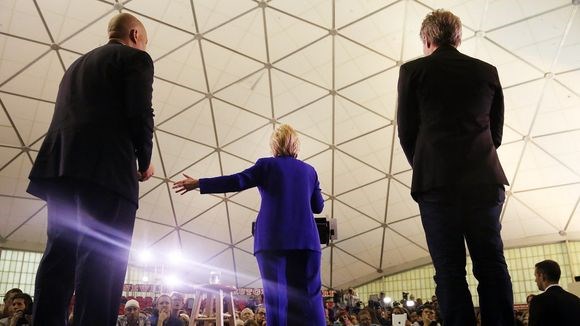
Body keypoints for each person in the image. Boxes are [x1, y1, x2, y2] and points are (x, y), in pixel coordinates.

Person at [27, 12, 155, 325]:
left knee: (59, 255)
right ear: (136, 34)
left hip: (60, 168)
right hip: (107, 172)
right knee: (102, 260)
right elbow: (140, 112)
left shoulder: (76, 66)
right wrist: (144, 159)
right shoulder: (136, 59)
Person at [396, 9, 514, 326]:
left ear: (427, 38)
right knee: (491, 263)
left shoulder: (412, 72)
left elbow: (407, 132)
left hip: (435, 185)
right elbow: (497, 132)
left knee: (449, 270)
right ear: (458, 38)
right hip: (484, 181)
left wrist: (427, 165)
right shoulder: (487, 71)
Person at [174, 124, 325, 326]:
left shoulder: (266, 166)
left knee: (276, 299)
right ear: (296, 145)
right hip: (306, 242)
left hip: (272, 240)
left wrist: (200, 183)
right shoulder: (310, 171)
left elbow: (237, 181)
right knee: (309, 298)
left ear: (274, 146)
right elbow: (318, 207)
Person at [528, 260, 580, 325]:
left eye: (536, 276)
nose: (535, 280)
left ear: (542, 276)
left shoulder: (538, 301)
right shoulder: (575, 300)